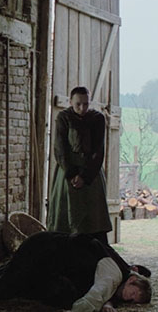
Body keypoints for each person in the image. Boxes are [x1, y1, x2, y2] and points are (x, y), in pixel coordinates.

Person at [0, 231, 152, 312]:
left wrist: (111, 301)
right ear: (133, 279)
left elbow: (107, 292)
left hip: (43, 247)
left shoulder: (118, 270)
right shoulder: (115, 273)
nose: (129, 300)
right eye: (133, 295)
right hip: (41, 252)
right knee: (0, 289)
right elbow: (97, 294)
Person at [48, 86, 112, 245]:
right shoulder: (64, 117)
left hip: (91, 174)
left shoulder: (97, 118)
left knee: (93, 218)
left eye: (86, 104)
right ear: (70, 102)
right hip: (67, 172)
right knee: (65, 219)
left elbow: (98, 149)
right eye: (78, 104)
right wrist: (71, 174)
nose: (82, 108)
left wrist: (85, 176)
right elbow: (60, 148)